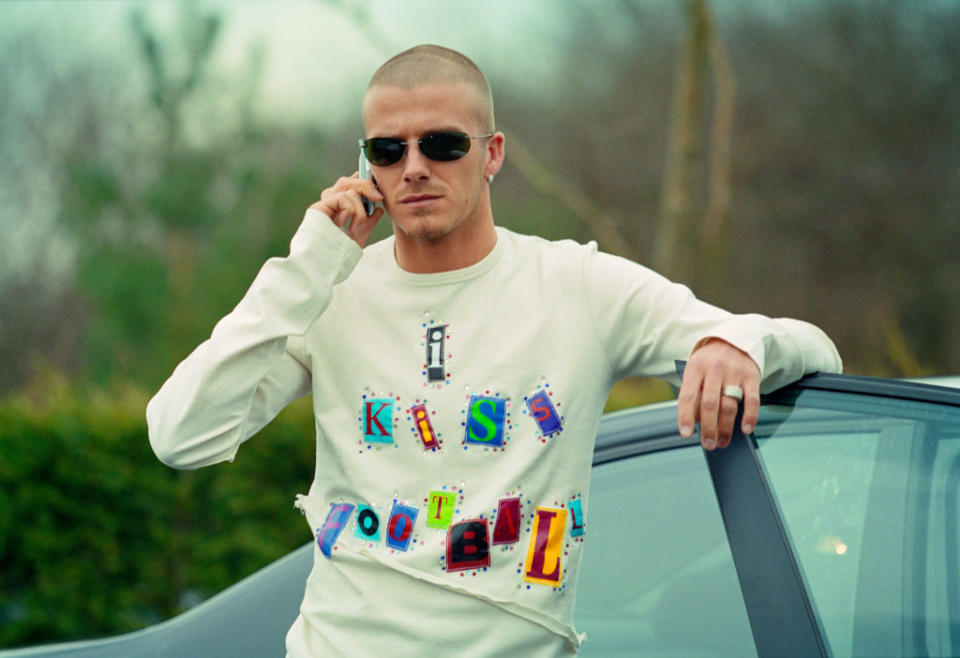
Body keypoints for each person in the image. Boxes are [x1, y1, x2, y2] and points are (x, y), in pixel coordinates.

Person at [147, 44, 842, 656]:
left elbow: (814, 349)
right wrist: (305, 267)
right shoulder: (328, 292)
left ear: (493, 154)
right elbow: (181, 433)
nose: (414, 167)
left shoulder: (576, 286)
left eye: (443, 144)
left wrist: (734, 343)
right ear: (365, 166)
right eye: (388, 150)